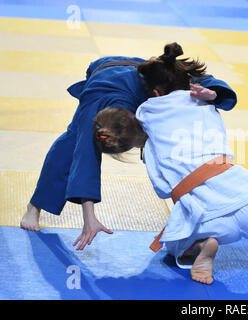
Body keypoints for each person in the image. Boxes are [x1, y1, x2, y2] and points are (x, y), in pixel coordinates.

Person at [93, 43, 248, 284]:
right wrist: (212, 94)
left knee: (173, 247)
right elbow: (219, 94)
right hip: (246, 193)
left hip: (203, 215)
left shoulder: (147, 111)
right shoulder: (207, 101)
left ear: (155, 93)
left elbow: (162, 188)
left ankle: (203, 245)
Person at [20, 50, 237, 251]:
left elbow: (201, 77)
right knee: (73, 142)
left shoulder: (165, 78)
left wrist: (212, 93)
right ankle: (34, 206)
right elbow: (85, 158)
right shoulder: (94, 104)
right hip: (104, 75)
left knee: (176, 146)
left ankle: (190, 216)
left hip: (140, 71)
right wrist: (89, 217)